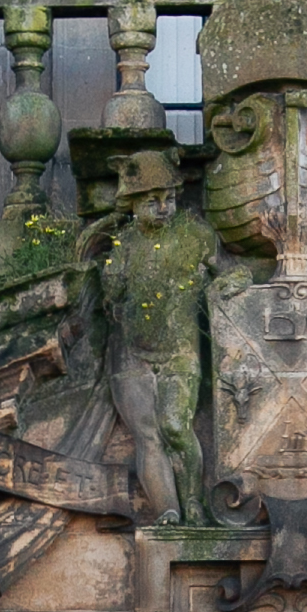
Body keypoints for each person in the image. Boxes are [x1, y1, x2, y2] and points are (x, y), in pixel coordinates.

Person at [81, 146, 219, 521]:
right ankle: (168, 511)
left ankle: (193, 499)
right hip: (131, 352)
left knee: (175, 426)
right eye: (153, 200)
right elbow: (110, 295)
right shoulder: (124, 244)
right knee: (148, 435)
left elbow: (226, 276)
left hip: (179, 349)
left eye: (169, 198)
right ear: (132, 203)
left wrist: (227, 281)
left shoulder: (195, 236)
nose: (163, 207)